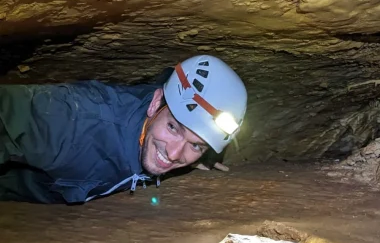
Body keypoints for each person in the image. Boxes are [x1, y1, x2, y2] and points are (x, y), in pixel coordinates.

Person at [0, 55, 247, 204]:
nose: (173, 154)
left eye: (196, 144)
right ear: (154, 103)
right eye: (174, 128)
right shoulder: (76, 119)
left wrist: (205, 151)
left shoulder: (174, 136)